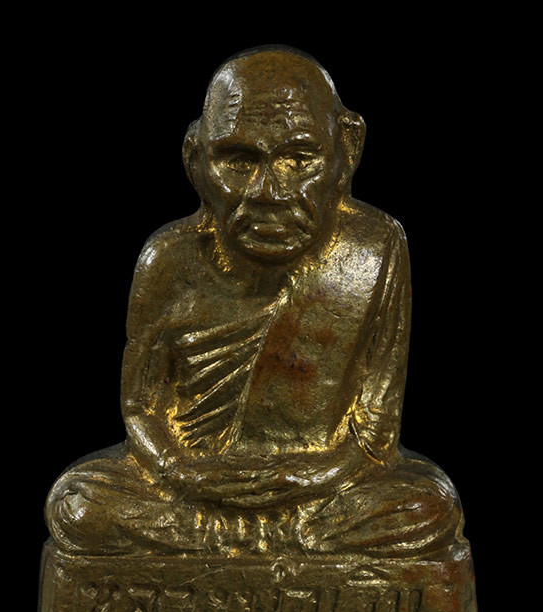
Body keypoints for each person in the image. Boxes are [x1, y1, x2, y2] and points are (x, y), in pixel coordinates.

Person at [46, 46, 465, 558]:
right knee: (78, 503)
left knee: (428, 504)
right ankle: (277, 542)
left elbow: (375, 432)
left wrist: (314, 474)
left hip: (319, 489)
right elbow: (140, 407)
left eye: (299, 159)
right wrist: (182, 472)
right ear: (195, 160)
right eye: (240, 161)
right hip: (196, 486)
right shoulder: (169, 259)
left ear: (349, 149)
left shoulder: (375, 248)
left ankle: (236, 543)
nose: (269, 191)